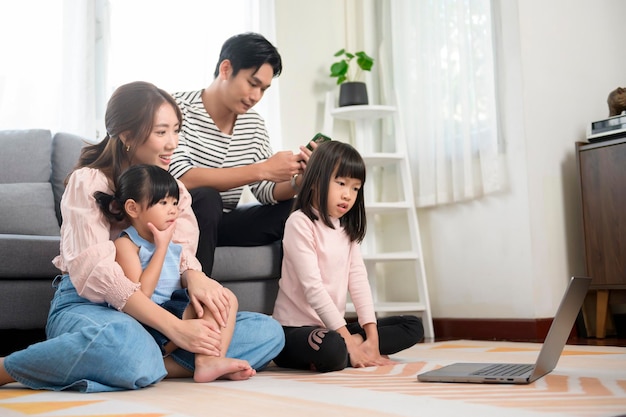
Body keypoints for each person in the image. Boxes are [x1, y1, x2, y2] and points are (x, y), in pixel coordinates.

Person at [0, 81, 284, 392]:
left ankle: (152, 364)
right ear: (127, 135)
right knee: (123, 343)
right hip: (92, 307)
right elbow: (98, 275)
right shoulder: (89, 181)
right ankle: (8, 368)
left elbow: (181, 255)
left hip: (159, 313)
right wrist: (176, 329)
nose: (173, 143)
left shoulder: (177, 192)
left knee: (267, 331)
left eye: (176, 130)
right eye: (161, 132)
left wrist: (196, 277)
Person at [271, 140, 424, 372]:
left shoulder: (345, 229)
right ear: (314, 182)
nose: (348, 195)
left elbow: (359, 281)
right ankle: (348, 347)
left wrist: (371, 335)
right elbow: (313, 289)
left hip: (334, 328)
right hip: (296, 329)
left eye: (355, 188)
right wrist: (346, 339)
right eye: (341, 183)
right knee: (332, 348)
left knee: (412, 326)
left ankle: (358, 346)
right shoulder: (299, 223)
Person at [169, 32, 314, 274]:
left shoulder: (253, 125)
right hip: (181, 218)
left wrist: (299, 180)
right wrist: (262, 169)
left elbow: (266, 192)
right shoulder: (178, 108)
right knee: (206, 196)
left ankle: (304, 304)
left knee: (299, 208)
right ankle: (195, 298)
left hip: (223, 223)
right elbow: (183, 178)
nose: (256, 96)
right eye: (252, 83)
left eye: (263, 89)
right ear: (226, 69)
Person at [94, 164, 252, 382]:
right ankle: (204, 362)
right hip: (152, 323)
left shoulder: (172, 243)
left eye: (175, 203)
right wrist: (161, 248)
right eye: (163, 203)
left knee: (225, 298)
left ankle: (211, 359)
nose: (173, 210)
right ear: (133, 208)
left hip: (175, 313)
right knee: (207, 308)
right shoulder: (127, 244)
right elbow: (142, 293)